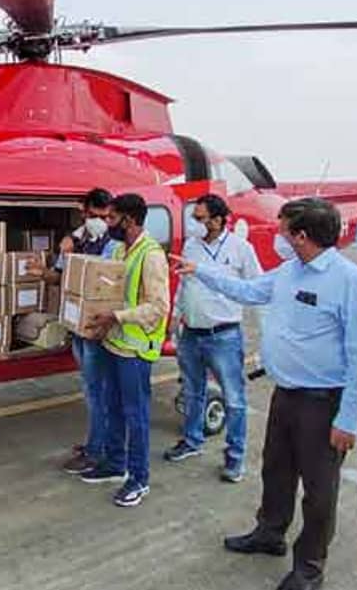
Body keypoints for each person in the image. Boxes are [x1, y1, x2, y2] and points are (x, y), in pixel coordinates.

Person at [171, 197, 357, 590]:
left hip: (323, 402)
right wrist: (200, 271)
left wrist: (348, 418)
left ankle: (309, 565)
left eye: (283, 229)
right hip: (286, 394)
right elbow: (247, 290)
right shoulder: (289, 271)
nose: (278, 236)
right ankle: (270, 532)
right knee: (276, 470)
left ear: (301, 235)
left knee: (319, 490)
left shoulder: (349, 281)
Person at [79, 193, 170, 508]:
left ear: (129, 220)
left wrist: (117, 317)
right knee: (112, 407)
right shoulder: (120, 249)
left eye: (112, 218)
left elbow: (158, 307)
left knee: (136, 415)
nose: (107, 223)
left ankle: (139, 478)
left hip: (134, 350)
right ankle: (115, 463)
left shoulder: (151, 255)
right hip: (113, 343)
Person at [164, 194, 261, 484]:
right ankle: (192, 440)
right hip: (191, 333)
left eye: (200, 218)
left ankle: (235, 457)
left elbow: (258, 287)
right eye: (194, 217)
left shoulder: (241, 249)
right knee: (192, 391)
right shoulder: (191, 246)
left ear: (218, 220)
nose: (194, 223)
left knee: (234, 398)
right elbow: (184, 284)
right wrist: (175, 316)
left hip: (224, 335)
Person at [29, 187, 121, 475]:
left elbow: (107, 284)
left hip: (96, 330)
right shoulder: (74, 241)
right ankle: (97, 442)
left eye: (105, 217)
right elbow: (58, 277)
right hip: (77, 329)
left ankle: (96, 451)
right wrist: (43, 272)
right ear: (83, 212)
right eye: (94, 215)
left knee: (97, 392)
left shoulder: (113, 245)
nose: (100, 222)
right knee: (91, 389)